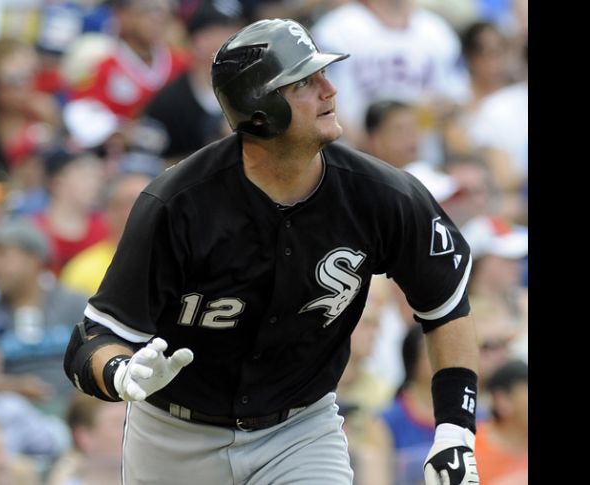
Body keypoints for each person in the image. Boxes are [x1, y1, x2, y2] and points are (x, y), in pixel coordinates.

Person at [63, 18, 479, 485]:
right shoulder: (177, 204)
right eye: (304, 82)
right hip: (173, 436)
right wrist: (121, 373)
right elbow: (92, 341)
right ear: (259, 109)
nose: (330, 90)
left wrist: (455, 429)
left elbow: (445, 302)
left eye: (323, 74)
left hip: (300, 430)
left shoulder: (382, 194)